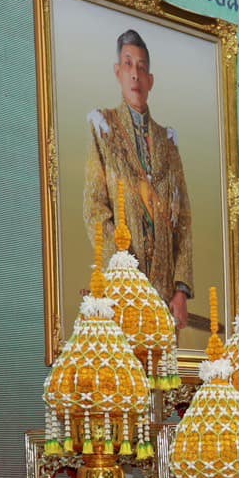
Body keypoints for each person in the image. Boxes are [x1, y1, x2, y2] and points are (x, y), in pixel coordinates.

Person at [84, 28, 194, 327]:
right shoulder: (104, 128)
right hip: (122, 294)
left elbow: (183, 219)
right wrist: (124, 272)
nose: (135, 74)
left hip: (164, 299)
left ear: (151, 80)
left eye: (142, 68)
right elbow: (94, 209)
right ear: (118, 72)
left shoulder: (167, 142)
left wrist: (181, 289)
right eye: (128, 64)